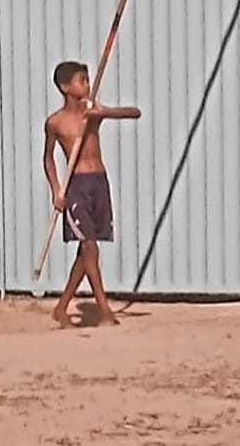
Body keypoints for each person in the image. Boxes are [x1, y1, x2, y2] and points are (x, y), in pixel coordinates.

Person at [43, 61, 141, 329]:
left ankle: (61, 307)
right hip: (76, 187)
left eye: (88, 80)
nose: (87, 85)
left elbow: (135, 113)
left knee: (86, 251)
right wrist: (56, 190)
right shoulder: (55, 122)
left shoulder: (92, 115)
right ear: (65, 87)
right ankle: (105, 309)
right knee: (89, 247)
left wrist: (104, 111)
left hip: (99, 182)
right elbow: (48, 159)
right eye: (81, 80)